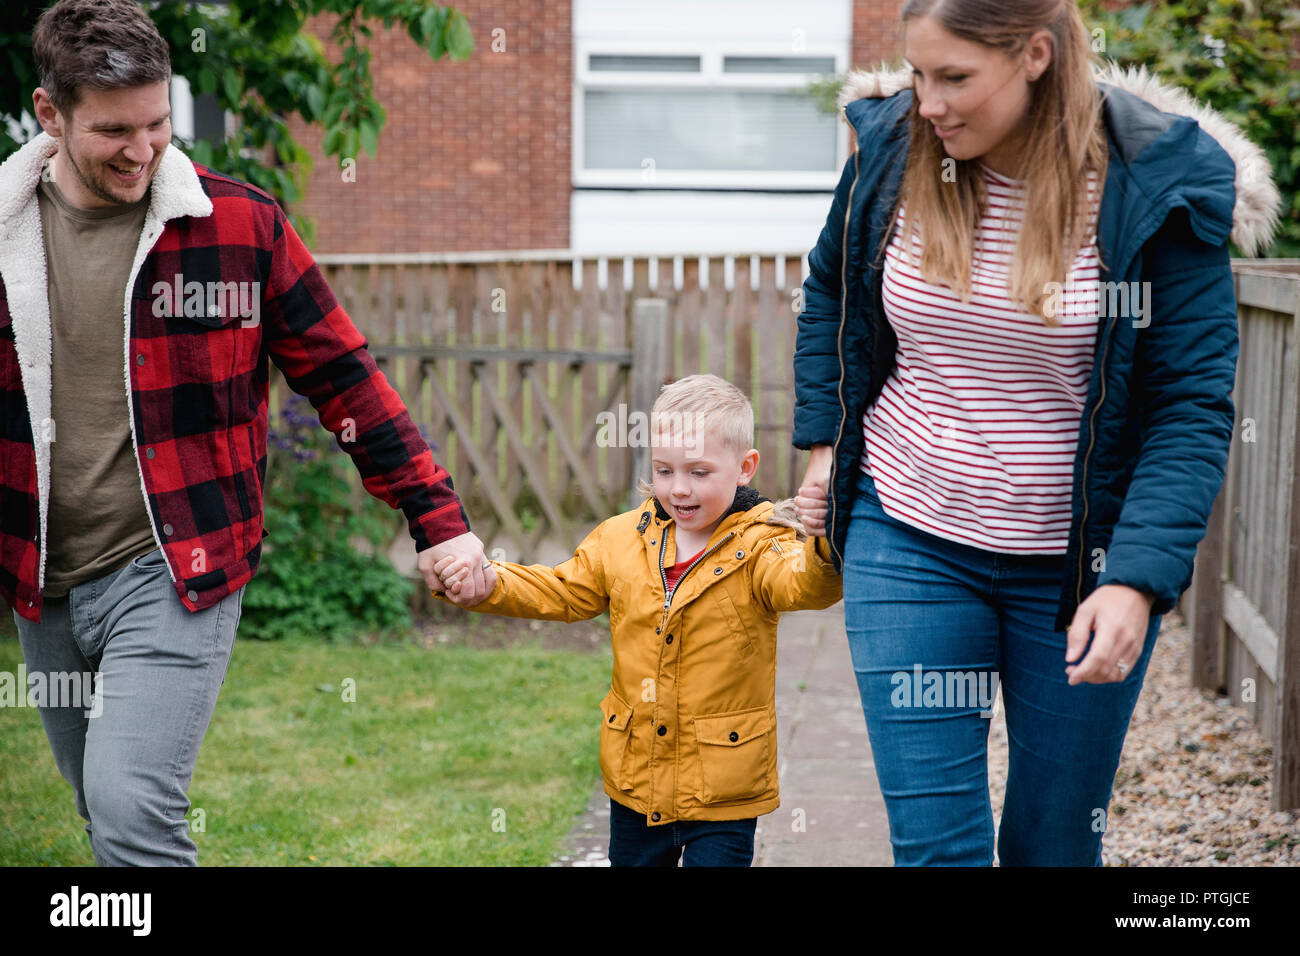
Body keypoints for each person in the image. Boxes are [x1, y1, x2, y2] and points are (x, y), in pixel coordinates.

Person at [0, 0, 494, 865]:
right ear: (51, 114)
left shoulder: (235, 227)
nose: (143, 151)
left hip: (177, 564)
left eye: (158, 125)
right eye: (115, 131)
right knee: (97, 808)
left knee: (130, 808)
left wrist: (438, 519)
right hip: (44, 575)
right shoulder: (4, 235)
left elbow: (344, 379)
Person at [792, 0, 1280, 866]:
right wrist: (829, 444)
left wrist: (1133, 580)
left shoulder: (1153, 183)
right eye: (916, 74)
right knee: (936, 850)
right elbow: (829, 285)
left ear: (1035, 56)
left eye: (954, 78)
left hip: (1076, 569)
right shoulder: (893, 152)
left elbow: (1188, 405)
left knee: (1054, 846)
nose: (927, 102)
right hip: (906, 538)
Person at [433, 374, 843, 866]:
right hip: (637, 783)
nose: (679, 488)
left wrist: (823, 542)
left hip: (723, 790)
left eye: (698, 472)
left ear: (744, 468)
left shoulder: (763, 546)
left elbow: (805, 585)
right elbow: (561, 592)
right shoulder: (620, 538)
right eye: (664, 470)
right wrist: (490, 583)